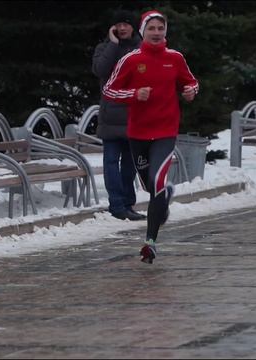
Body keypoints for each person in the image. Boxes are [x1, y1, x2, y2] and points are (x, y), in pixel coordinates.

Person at [102, 10, 198, 264]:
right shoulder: (131, 60)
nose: (156, 33)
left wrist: (189, 91)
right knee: (149, 185)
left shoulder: (175, 58)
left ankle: (150, 243)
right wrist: (134, 94)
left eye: (160, 28)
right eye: (152, 28)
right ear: (143, 31)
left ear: (165, 31)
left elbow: (192, 82)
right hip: (138, 132)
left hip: (166, 130)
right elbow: (109, 90)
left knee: (156, 180)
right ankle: (163, 198)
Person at [92, 10, 145, 222]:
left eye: (126, 24)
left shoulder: (141, 49)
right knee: (111, 161)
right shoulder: (104, 48)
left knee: (131, 163)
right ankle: (116, 204)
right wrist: (113, 45)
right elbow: (100, 70)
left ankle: (127, 203)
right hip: (111, 113)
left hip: (134, 112)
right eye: (118, 24)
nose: (122, 28)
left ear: (133, 27)